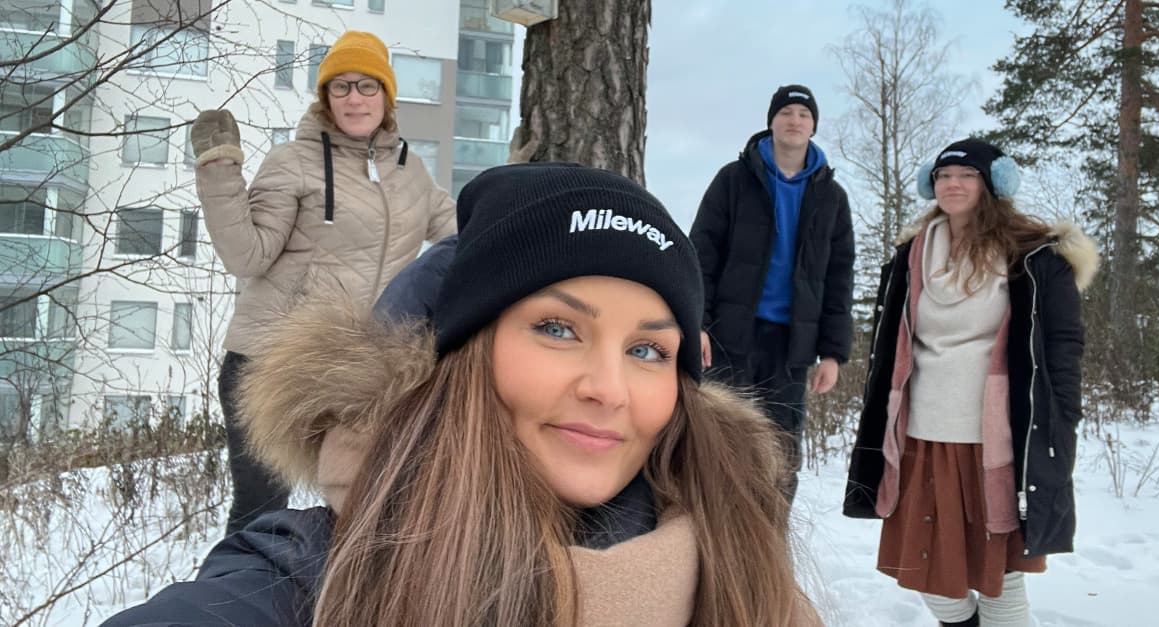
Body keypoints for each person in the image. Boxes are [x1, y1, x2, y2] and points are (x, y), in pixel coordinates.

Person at [101, 163, 822, 626]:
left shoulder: (744, 567)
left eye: (646, 349)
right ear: (466, 354)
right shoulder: (322, 571)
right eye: (557, 328)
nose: (609, 389)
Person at [188, 30, 456, 534]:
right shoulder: (293, 161)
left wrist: (514, 182)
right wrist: (220, 171)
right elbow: (247, 256)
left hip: (355, 372)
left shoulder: (412, 173)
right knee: (260, 513)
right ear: (326, 98)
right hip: (268, 364)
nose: (355, 98)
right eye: (341, 87)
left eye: (367, 86)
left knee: (364, 505)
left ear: (387, 96)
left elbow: (464, 237)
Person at [843, 139, 1099, 627]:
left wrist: (1062, 418)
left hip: (998, 441)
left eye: (967, 175)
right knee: (926, 576)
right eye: (943, 176)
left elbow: (1063, 347)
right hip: (921, 436)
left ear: (992, 184)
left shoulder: (1034, 255)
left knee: (1000, 578)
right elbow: (890, 347)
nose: (953, 185)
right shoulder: (911, 255)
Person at [689, 84, 855, 501]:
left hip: (792, 345)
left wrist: (832, 353)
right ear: (772, 121)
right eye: (786, 112)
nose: (794, 120)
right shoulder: (733, 180)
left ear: (813, 125)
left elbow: (839, 278)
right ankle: (714, 537)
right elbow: (701, 254)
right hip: (731, 335)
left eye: (803, 113)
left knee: (780, 448)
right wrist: (698, 322)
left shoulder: (831, 197)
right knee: (721, 439)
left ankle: (769, 545)